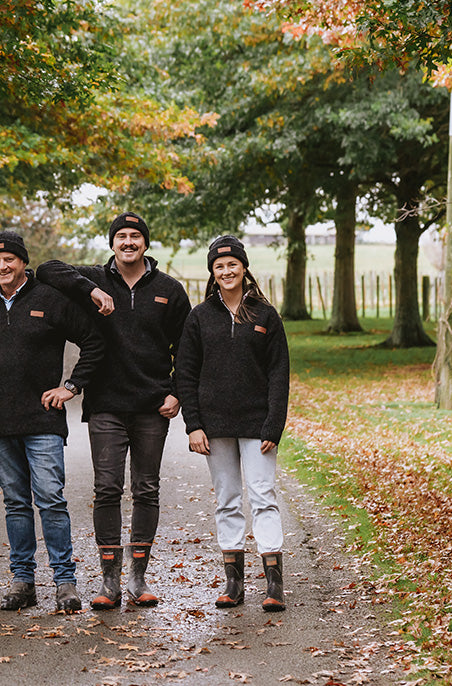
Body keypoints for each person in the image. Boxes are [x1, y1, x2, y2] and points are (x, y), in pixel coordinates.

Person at [36, 211, 191, 610]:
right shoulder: (95, 278)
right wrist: (89, 290)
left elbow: (189, 350)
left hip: (153, 407)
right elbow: (46, 269)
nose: (128, 242)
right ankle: (110, 582)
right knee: (107, 489)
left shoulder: (170, 290)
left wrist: (177, 393)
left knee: (147, 488)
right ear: (112, 243)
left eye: (135, 236)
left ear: (145, 243)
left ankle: (138, 578)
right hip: (105, 404)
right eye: (121, 236)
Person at [0, 230, 105, 613]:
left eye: (9, 259)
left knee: (51, 501)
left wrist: (71, 386)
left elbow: (94, 339)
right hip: (0, 424)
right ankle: (22, 582)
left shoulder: (50, 298)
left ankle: (65, 582)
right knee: (15, 504)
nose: (2, 266)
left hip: (43, 420)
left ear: (23, 262)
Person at [175, 235, 290, 612]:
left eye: (232, 265)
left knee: (263, 496)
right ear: (212, 272)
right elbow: (185, 374)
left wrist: (274, 425)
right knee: (227, 500)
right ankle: (233, 583)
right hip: (215, 426)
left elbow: (279, 374)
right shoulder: (199, 317)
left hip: (257, 424)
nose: (226, 271)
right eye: (219, 266)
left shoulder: (264, 315)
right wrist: (194, 424)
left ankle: (274, 585)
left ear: (244, 268)